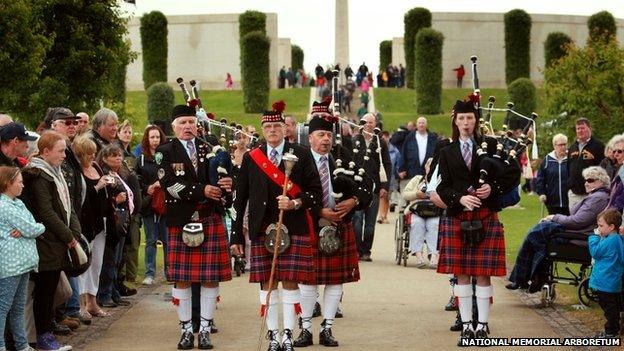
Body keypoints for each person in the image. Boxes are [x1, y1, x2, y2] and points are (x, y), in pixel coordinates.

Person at [230, 101, 322, 351]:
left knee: (291, 282)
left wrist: (294, 203)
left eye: (277, 125)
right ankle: (273, 335)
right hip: (263, 229)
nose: (272, 129)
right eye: (268, 125)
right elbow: (240, 200)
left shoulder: (301, 154)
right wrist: (236, 236)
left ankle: (288, 335)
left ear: (285, 128)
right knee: (267, 284)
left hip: (294, 227)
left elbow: (315, 193)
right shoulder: (252, 158)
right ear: (262, 128)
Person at [436, 96, 520, 344]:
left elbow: (513, 174)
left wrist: (493, 189)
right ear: (456, 121)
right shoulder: (446, 151)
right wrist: (460, 199)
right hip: (459, 216)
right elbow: (443, 188)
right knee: (462, 273)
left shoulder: (492, 145)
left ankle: (482, 325)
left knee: (484, 274)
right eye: (461, 118)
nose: (465, 122)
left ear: (476, 120)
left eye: (470, 118)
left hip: (486, 215)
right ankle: (466, 325)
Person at [158, 104, 233, 349]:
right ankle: (186, 330)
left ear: (197, 124)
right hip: (181, 221)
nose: (188, 127)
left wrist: (226, 187)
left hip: (209, 216)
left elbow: (223, 183)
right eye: (182, 123)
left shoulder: (210, 148)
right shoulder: (164, 151)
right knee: (182, 280)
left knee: (210, 279)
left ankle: (205, 328)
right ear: (174, 127)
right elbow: (170, 185)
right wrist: (202, 190)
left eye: (191, 122)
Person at [293, 102, 365, 348]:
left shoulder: (343, 156)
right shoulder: (299, 160)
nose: (325, 140)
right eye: (321, 135)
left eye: (329, 135)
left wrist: (353, 201)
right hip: (309, 226)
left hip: (339, 227)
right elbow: (293, 193)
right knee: (307, 281)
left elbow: (368, 188)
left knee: (335, 281)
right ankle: (304, 329)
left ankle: (327, 328)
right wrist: (318, 210)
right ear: (310, 137)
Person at [507, 166, 610, 291]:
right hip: (577, 232)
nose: (586, 183)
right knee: (537, 233)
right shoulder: (596, 196)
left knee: (535, 235)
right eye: (586, 180)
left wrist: (553, 217)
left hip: (579, 235)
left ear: (601, 181)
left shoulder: (598, 198)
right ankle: (528, 278)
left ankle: (525, 278)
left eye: (590, 180)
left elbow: (577, 221)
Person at [22, 131, 80, 351]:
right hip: (46, 242)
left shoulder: (54, 173)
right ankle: (42, 336)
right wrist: (68, 236)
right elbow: (46, 212)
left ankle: (44, 333)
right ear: (45, 151)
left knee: (53, 290)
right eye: (61, 151)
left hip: (56, 240)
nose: (64, 155)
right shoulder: (38, 174)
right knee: (45, 292)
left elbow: (67, 205)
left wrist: (74, 230)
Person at [0, 166, 45, 351]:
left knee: (18, 307)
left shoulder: (18, 203)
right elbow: (32, 228)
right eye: (19, 182)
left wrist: (32, 228)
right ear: (8, 183)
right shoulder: (4, 206)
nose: (23, 185)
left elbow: (31, 225)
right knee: (3, 308)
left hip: (23, 263)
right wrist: (34, 229)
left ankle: (22, 344)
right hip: (10, 265)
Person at [72, 135, 114, 321]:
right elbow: (81, 197)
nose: (92, 156)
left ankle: (92, 301)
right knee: (83, 264)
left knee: (97, 263)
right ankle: (80, 304)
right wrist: (97, 187)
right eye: (89, 154)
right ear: (81, 155)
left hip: (102, 222)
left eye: (94, 153)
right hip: (85, 223)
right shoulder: (77, 171)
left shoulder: (95, 166)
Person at [96, 144, 135, 308]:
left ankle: (113, 292)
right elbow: (103, 197)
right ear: (104, 158)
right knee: (110, 260)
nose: (118, 158)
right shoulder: (105, 174)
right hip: (113, 220)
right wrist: (115, 200)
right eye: (114, 155)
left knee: (118, 260)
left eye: (119, 155)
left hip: (122, 220)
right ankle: (104, 294)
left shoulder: (119, 174)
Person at [352, 113, 391, 262]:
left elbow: (387, 164)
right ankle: (357, 250)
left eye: (371, 122)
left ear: (375, 124)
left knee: (369, 224)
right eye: (365, 122)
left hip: (374, 188)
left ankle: (366, 251)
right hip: (357, 188)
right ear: (361, 123)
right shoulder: (355, 141)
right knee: (357, 220)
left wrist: (384, 186)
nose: (368, 124)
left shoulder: (380, 143)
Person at [134, 125, 169, 285]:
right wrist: (148, 188)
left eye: (157, 137)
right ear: (147, 140)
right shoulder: (141, 159)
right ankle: (149, 273)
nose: (155, 141)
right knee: (151, 240)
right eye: (152, 137)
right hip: (149, 204)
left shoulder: (167, 156)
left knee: (168, 239)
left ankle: (170, 272)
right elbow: (137, 180)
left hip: (166, 204)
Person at [588, 209, 624, 339]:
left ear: (612, 226)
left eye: (601, 226)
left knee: (609, 308)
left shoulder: (610, 240)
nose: (599, 228)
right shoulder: (616, 239)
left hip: (605, 281)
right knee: (612, 306)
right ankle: (613, 329)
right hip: (611, 280)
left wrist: (594, 237)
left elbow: (595, 252)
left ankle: (611, 332)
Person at [403, 158, 440, 268]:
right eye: (430, 165)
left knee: (434, 225)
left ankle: (434, 255)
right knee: (417, 224)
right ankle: (419, 255)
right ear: (426, 167)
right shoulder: (417, 179)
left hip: (434, 211)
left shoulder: (440, 180)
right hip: (416, 210)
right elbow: (405, 194)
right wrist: (416, 194)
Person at [398, 117, 438, 209]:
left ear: (426, 124)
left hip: (428, 171)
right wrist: (401, 169)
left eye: (423, 123)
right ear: (417, 125)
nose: (421, 124)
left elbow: (437, 154)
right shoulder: (410, 137)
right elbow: (403, 153)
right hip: (411, 169)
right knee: (410, 194)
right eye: (419, 123)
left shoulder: (432, 138)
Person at [566, 117, 604, 210]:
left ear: (589, 128)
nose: (580, 131)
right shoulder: (572, 147)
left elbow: (603, 168)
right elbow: (568, 167)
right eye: (578, 128)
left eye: (582, 128)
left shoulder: (598, 146)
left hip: (591, 193)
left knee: (590, 221)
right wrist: (570, 184)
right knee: (574, 221)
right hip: (574, 193)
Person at [535, 134, 569, 215]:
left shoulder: (570, 159)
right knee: (554, 225)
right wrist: (541, 193)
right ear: (554, 146)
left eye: (565, 144)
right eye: (560, 145)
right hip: (552, 201)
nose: (563, 147)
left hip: (569, 200)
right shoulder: (547, 160)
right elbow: (540, 178)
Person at [605, 134, 624, 212]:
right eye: (614, 151)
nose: (615, 155)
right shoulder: (622, 167)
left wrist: (611, 210)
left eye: (619, 151)